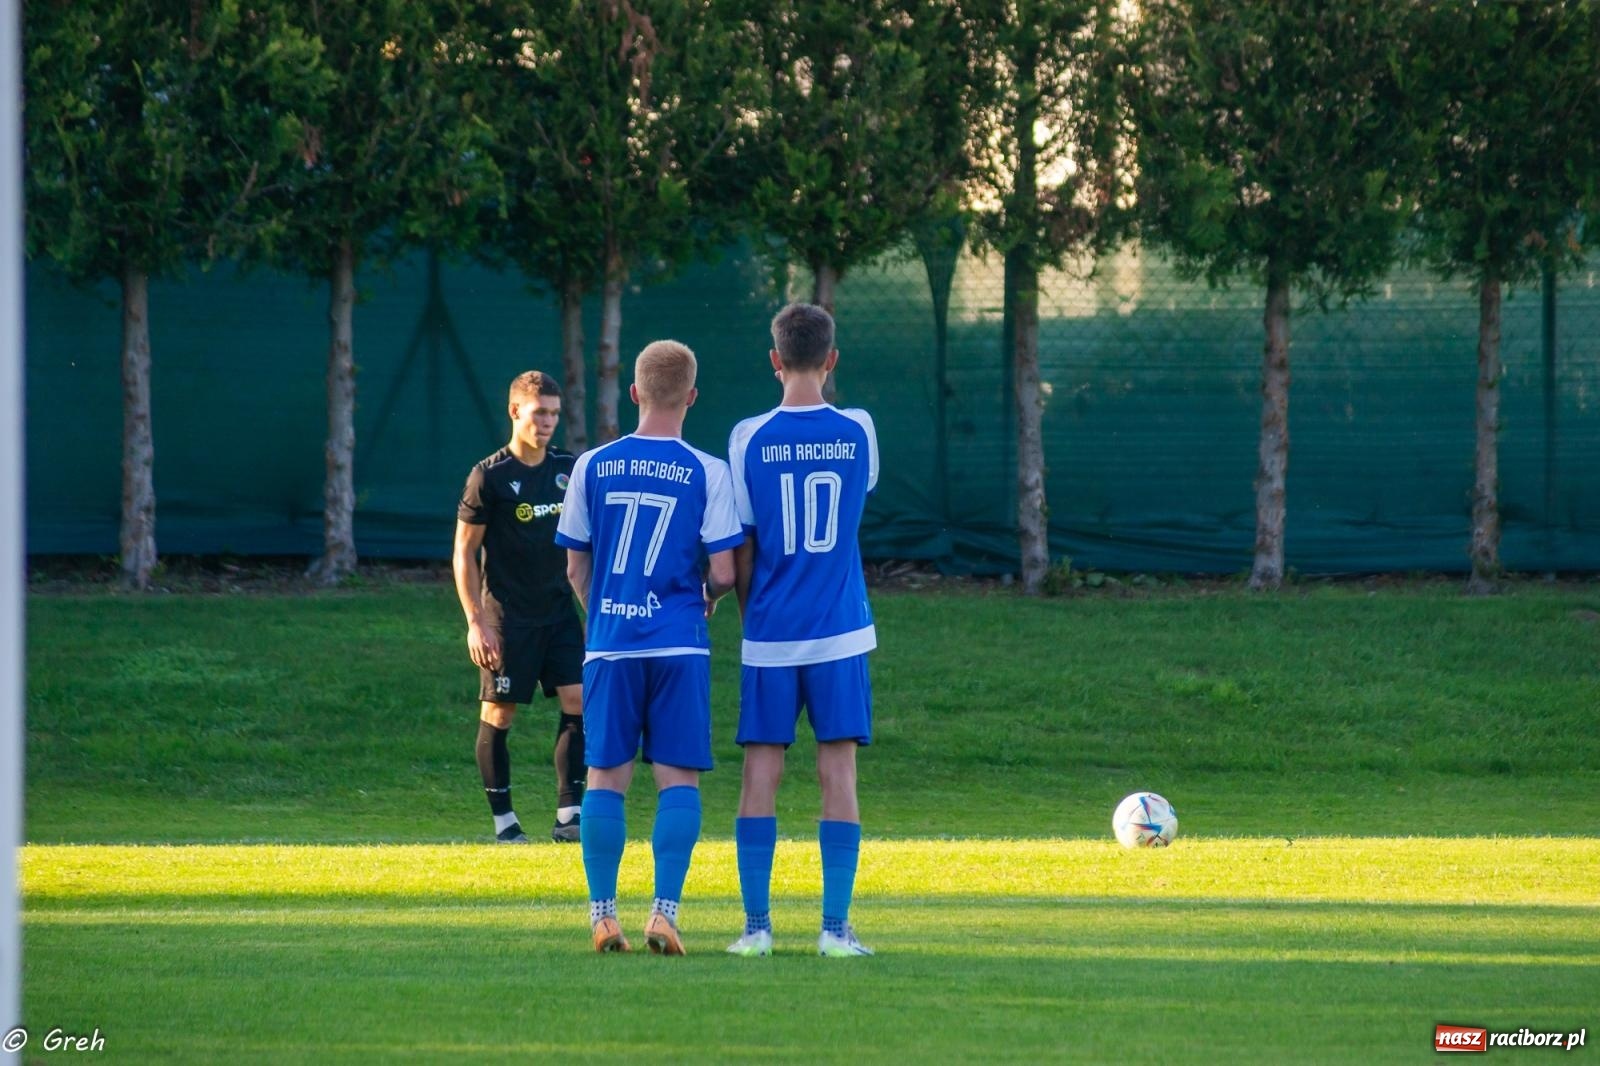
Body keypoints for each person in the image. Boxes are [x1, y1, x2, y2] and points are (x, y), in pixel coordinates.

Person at [555, 340, 743, 955]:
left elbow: (575, 568)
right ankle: (663, 913)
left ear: (633, 393)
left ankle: (603, 916)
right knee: (677, 780)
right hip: (678, 646)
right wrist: (707, 598)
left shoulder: (590, 466)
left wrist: (605, 615)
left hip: (610, 644)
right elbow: (723, 570)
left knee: (604, 777)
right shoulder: (708, 471)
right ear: (691, 397)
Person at [724, 303, 879, 958]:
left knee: (761, 772)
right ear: (833, 358)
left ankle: (756, 929)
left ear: (774, 359)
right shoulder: (861, 431)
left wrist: (753, 615)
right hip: (840, 632)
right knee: (836, 773)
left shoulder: (746, 437)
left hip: (770, 633)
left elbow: (744, 548)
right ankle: (834, 931)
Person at [453, 371, 586, 845]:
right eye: (539, 413)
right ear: (515, 412)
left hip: (559, 612)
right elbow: (464, 552)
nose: (548, 422)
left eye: (554, 413)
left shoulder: (570, 470)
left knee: (578, 702)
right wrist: (475, 622)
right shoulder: (488, 476)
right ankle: (505, 822)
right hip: (507, 618)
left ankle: (569, 816)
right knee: (499, 714)